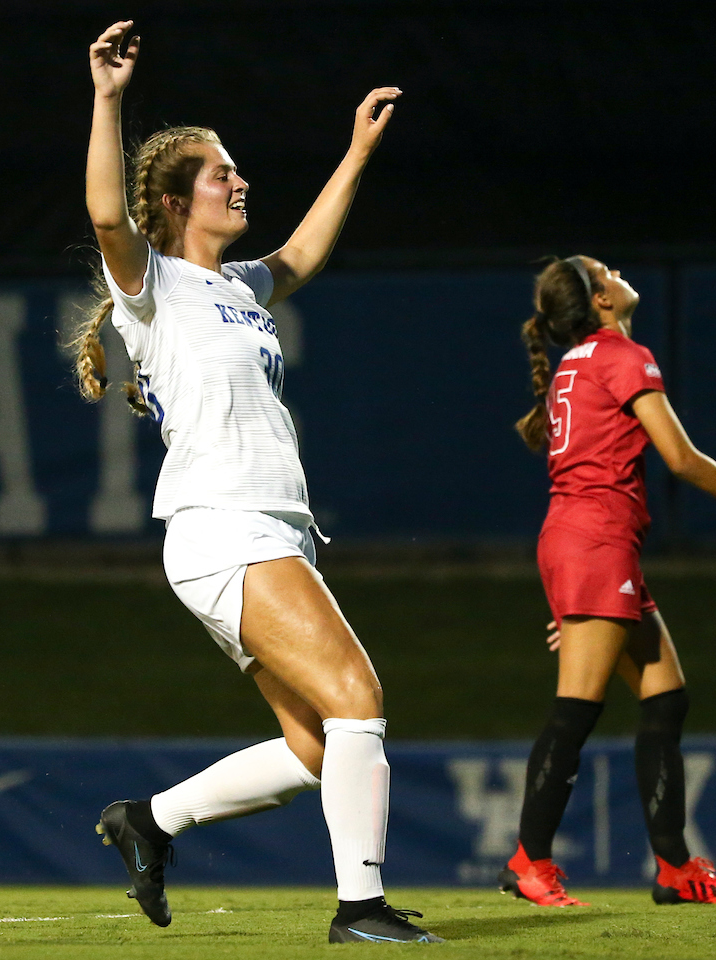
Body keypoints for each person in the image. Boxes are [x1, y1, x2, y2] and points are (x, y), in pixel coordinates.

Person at [72, 21, 441, 944]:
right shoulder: (150, 281)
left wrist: (356, 152)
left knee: (322, 747)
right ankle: (360, 910)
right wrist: (108, 97)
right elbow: (108, 217)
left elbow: (304, 255)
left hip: (263, 528)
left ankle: (149, 821)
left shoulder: (237, 282)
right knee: (357, 695)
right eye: (218, 173)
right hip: (223, 526)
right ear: (173, 198)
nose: (239, 181)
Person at [499, 256, 716, 908]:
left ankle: (674, 870)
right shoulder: (622, 356)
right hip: (597, 544)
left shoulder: (573, 364)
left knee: (665, 699)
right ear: (602, 300)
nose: (618, 270)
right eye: (606, 269)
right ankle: (530, 861)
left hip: (582, 541)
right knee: (576, 710)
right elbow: (681, 458)